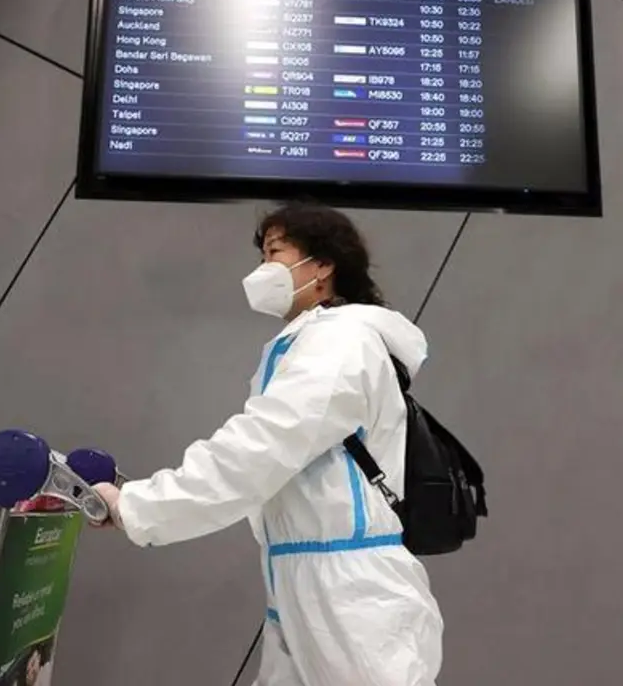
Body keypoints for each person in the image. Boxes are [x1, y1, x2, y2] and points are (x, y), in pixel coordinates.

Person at [92, 202, 443, 685]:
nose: (263, 269)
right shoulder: (308, 342)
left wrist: (141, 506)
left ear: (322, 266)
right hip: (308, 578)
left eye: (275, 252)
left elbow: (258, 448)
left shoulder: (339, 344)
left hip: (347, 591)